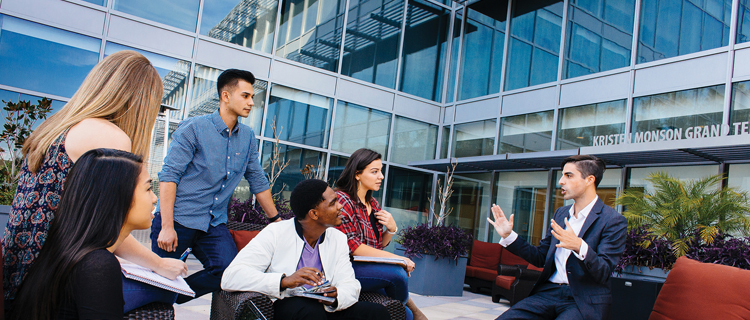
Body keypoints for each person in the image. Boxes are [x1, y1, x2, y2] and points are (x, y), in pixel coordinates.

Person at [1, 50, 186, 312]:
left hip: (19, 274)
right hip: (53, 283)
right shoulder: (110, 138)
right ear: (141, 104)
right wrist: (158, 263)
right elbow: (106, 225)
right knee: (168, 293)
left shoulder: (56, 127)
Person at [151, 68, 278, 303]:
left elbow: (257, 179)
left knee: (229, 272)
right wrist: (166, 226)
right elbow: (169, 176)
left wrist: (276, 220)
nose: (252, 102)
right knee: (159, 280)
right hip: (179, 218)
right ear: (226, 96)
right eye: (246, 96)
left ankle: (175, 294)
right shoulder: (194, 128)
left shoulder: (247, 136)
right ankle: (163, 293)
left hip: (214, 223)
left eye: (252, 97)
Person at [10, 149, 158, 320]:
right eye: (148, 189)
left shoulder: (71, 252)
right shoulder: (97, 265)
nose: (154, 198)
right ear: (117, 196)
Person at [222, 179, 390, 320]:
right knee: (311, 313)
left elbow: (350, 283)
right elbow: (231, 277)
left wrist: (336, 296)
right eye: (333, 203)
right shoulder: (275, 233)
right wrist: (283, 281)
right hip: (287, 305)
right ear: (314, 214)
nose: (340, 207)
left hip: (326, 307)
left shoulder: (338, 239)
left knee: (377, 313)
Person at [488, 155, 627, 320]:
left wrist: (579, 246)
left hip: (582, 300)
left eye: (568, 175)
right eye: (562, 175)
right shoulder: (561, 213)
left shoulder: (613, 220)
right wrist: (509, 236)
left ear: (589, 180)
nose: (561, 181)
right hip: (548, 293)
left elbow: (604, 271)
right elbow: (541, 257)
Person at [334, 148, 426, 320]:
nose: (381, 177)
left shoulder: (373, 203)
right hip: (347, 268)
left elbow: (377, 247)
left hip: (367, 266)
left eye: (381, 171)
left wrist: (391, 229)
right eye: (374, 172)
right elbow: (353, 247)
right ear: (357, 174)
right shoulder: (342, 200)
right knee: (397, 274)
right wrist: (398, 259)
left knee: (404, 315)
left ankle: (409, 310)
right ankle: (412, 308)